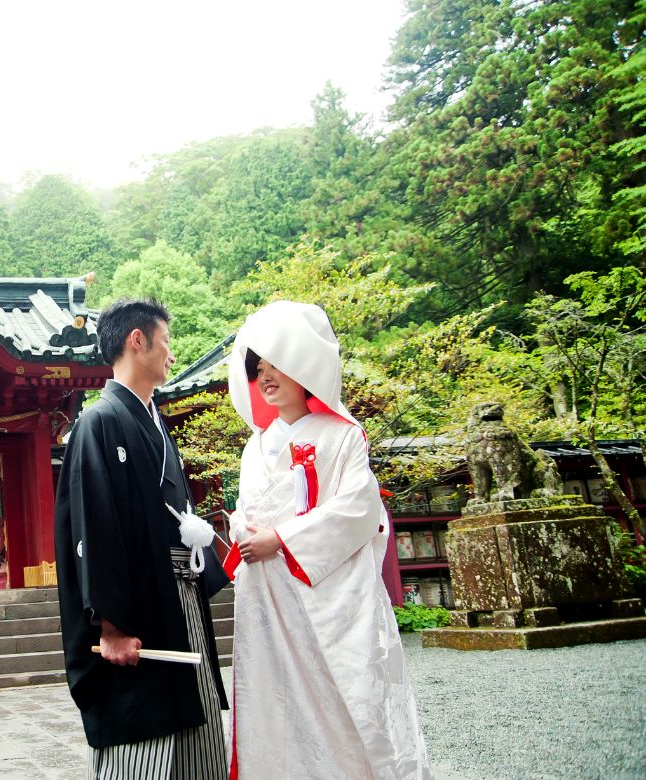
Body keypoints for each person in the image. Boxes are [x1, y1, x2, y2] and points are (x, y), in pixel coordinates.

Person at [226, 300, 432, 779]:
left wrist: (281, 537)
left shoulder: (343, 436)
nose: (267, 377)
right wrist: (244, 530)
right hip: (269, 599)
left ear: (306, 367)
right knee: (275, 701)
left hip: (329, 599)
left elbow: (358, 510)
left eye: (278, 365)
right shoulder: (255, 447)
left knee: (346, 696)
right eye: (260, 368)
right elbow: (249, 510)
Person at [55, 297, 230, 779]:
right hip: (137, 604)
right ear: (138, 340)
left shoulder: (153, 422)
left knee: (193, 726)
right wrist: (110, 623)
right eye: (167, 342)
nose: (172, 354)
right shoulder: (98, 421)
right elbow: (94, 523)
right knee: (145, 732)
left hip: (177, 597)